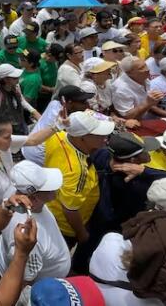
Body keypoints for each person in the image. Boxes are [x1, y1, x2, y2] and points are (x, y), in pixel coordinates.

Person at [43, 110, 114, 273]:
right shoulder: (77, 172)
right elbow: (70, 210)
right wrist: (81, 234)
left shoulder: (58, 137)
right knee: (56, 258)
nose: (105, 139)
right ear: (81, 137)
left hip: (51, 206)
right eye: (98, 135)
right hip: (65, 227)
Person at [0, 160, 70, 284]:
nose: (56, 189)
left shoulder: (15, 191)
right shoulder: (28, 236)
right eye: (50, 188)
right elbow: (24, 279)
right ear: (33, 198)